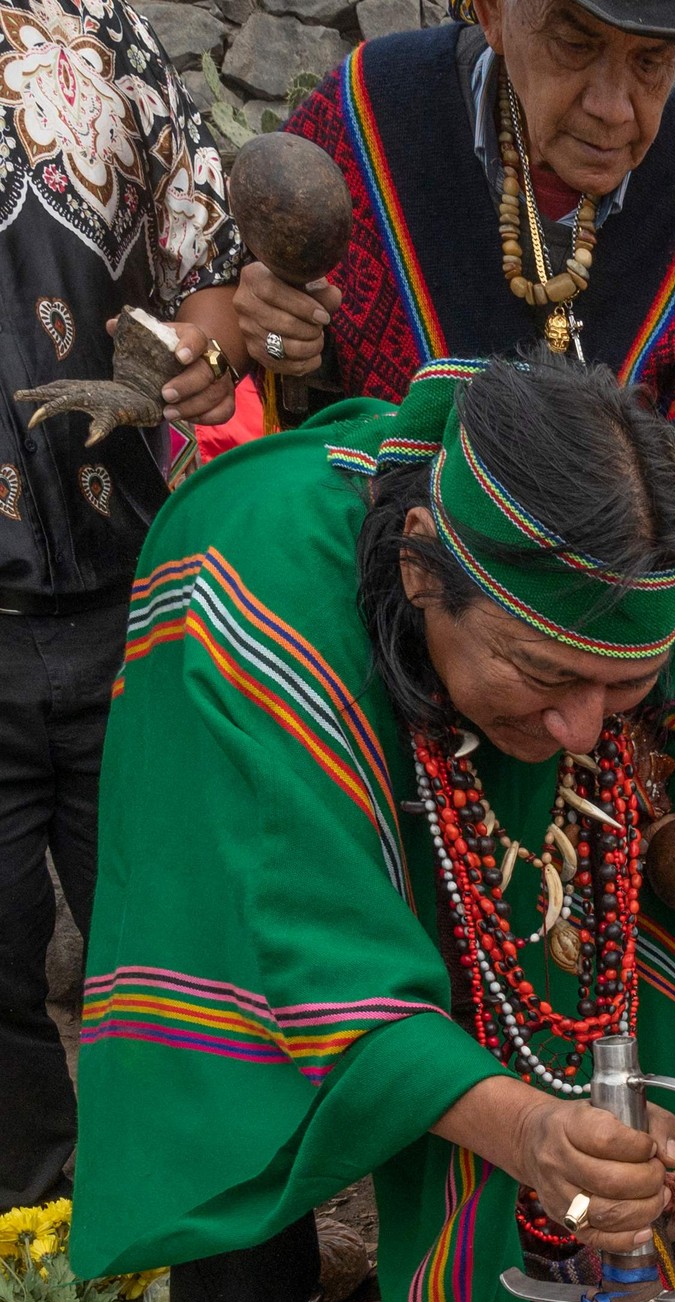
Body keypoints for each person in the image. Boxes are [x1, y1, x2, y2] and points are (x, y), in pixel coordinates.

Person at [68, 352, 675, 1302]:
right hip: (249, 810)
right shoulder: (251, 596)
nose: (577, 729)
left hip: (438, 716)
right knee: (263, 1037)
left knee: (534, 943)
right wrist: (525, 1127)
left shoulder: (598, 601)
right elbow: (323, 951)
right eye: (548, 676)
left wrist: (592, 1116)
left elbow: (649, 708)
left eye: (613, 691)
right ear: (429, 565)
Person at [1, 0, 246, 1215]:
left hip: (127, 596)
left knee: (178, 964)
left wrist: (188, 361)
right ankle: (41, 1299)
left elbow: (212, 270)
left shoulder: (95, 32)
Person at [234, 0, 675, 421]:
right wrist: (287, 339)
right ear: (493, 13)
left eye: (651, 60)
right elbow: (301, 397)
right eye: (575, 46)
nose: (612, 108)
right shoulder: (367, 118)